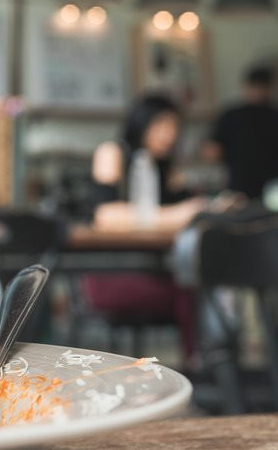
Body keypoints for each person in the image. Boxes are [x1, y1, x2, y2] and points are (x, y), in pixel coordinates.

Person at [83, 94, 200, 359]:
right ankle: (201, 366)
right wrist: (179, 213)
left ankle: (203, 365)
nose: (168, 134)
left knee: (199, 282)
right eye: (161, 125)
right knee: (193, 290)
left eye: (174, 127)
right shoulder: (113, 152)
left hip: (150, 270)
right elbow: (105, 215)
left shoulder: (163, 167)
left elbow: (185, 205)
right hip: (110, 274)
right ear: (142, 122)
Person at [205, 65, 278, 201]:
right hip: (273, 191)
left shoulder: (231, 115)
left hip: (242, 189)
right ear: (270, 88)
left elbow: (212, 153)